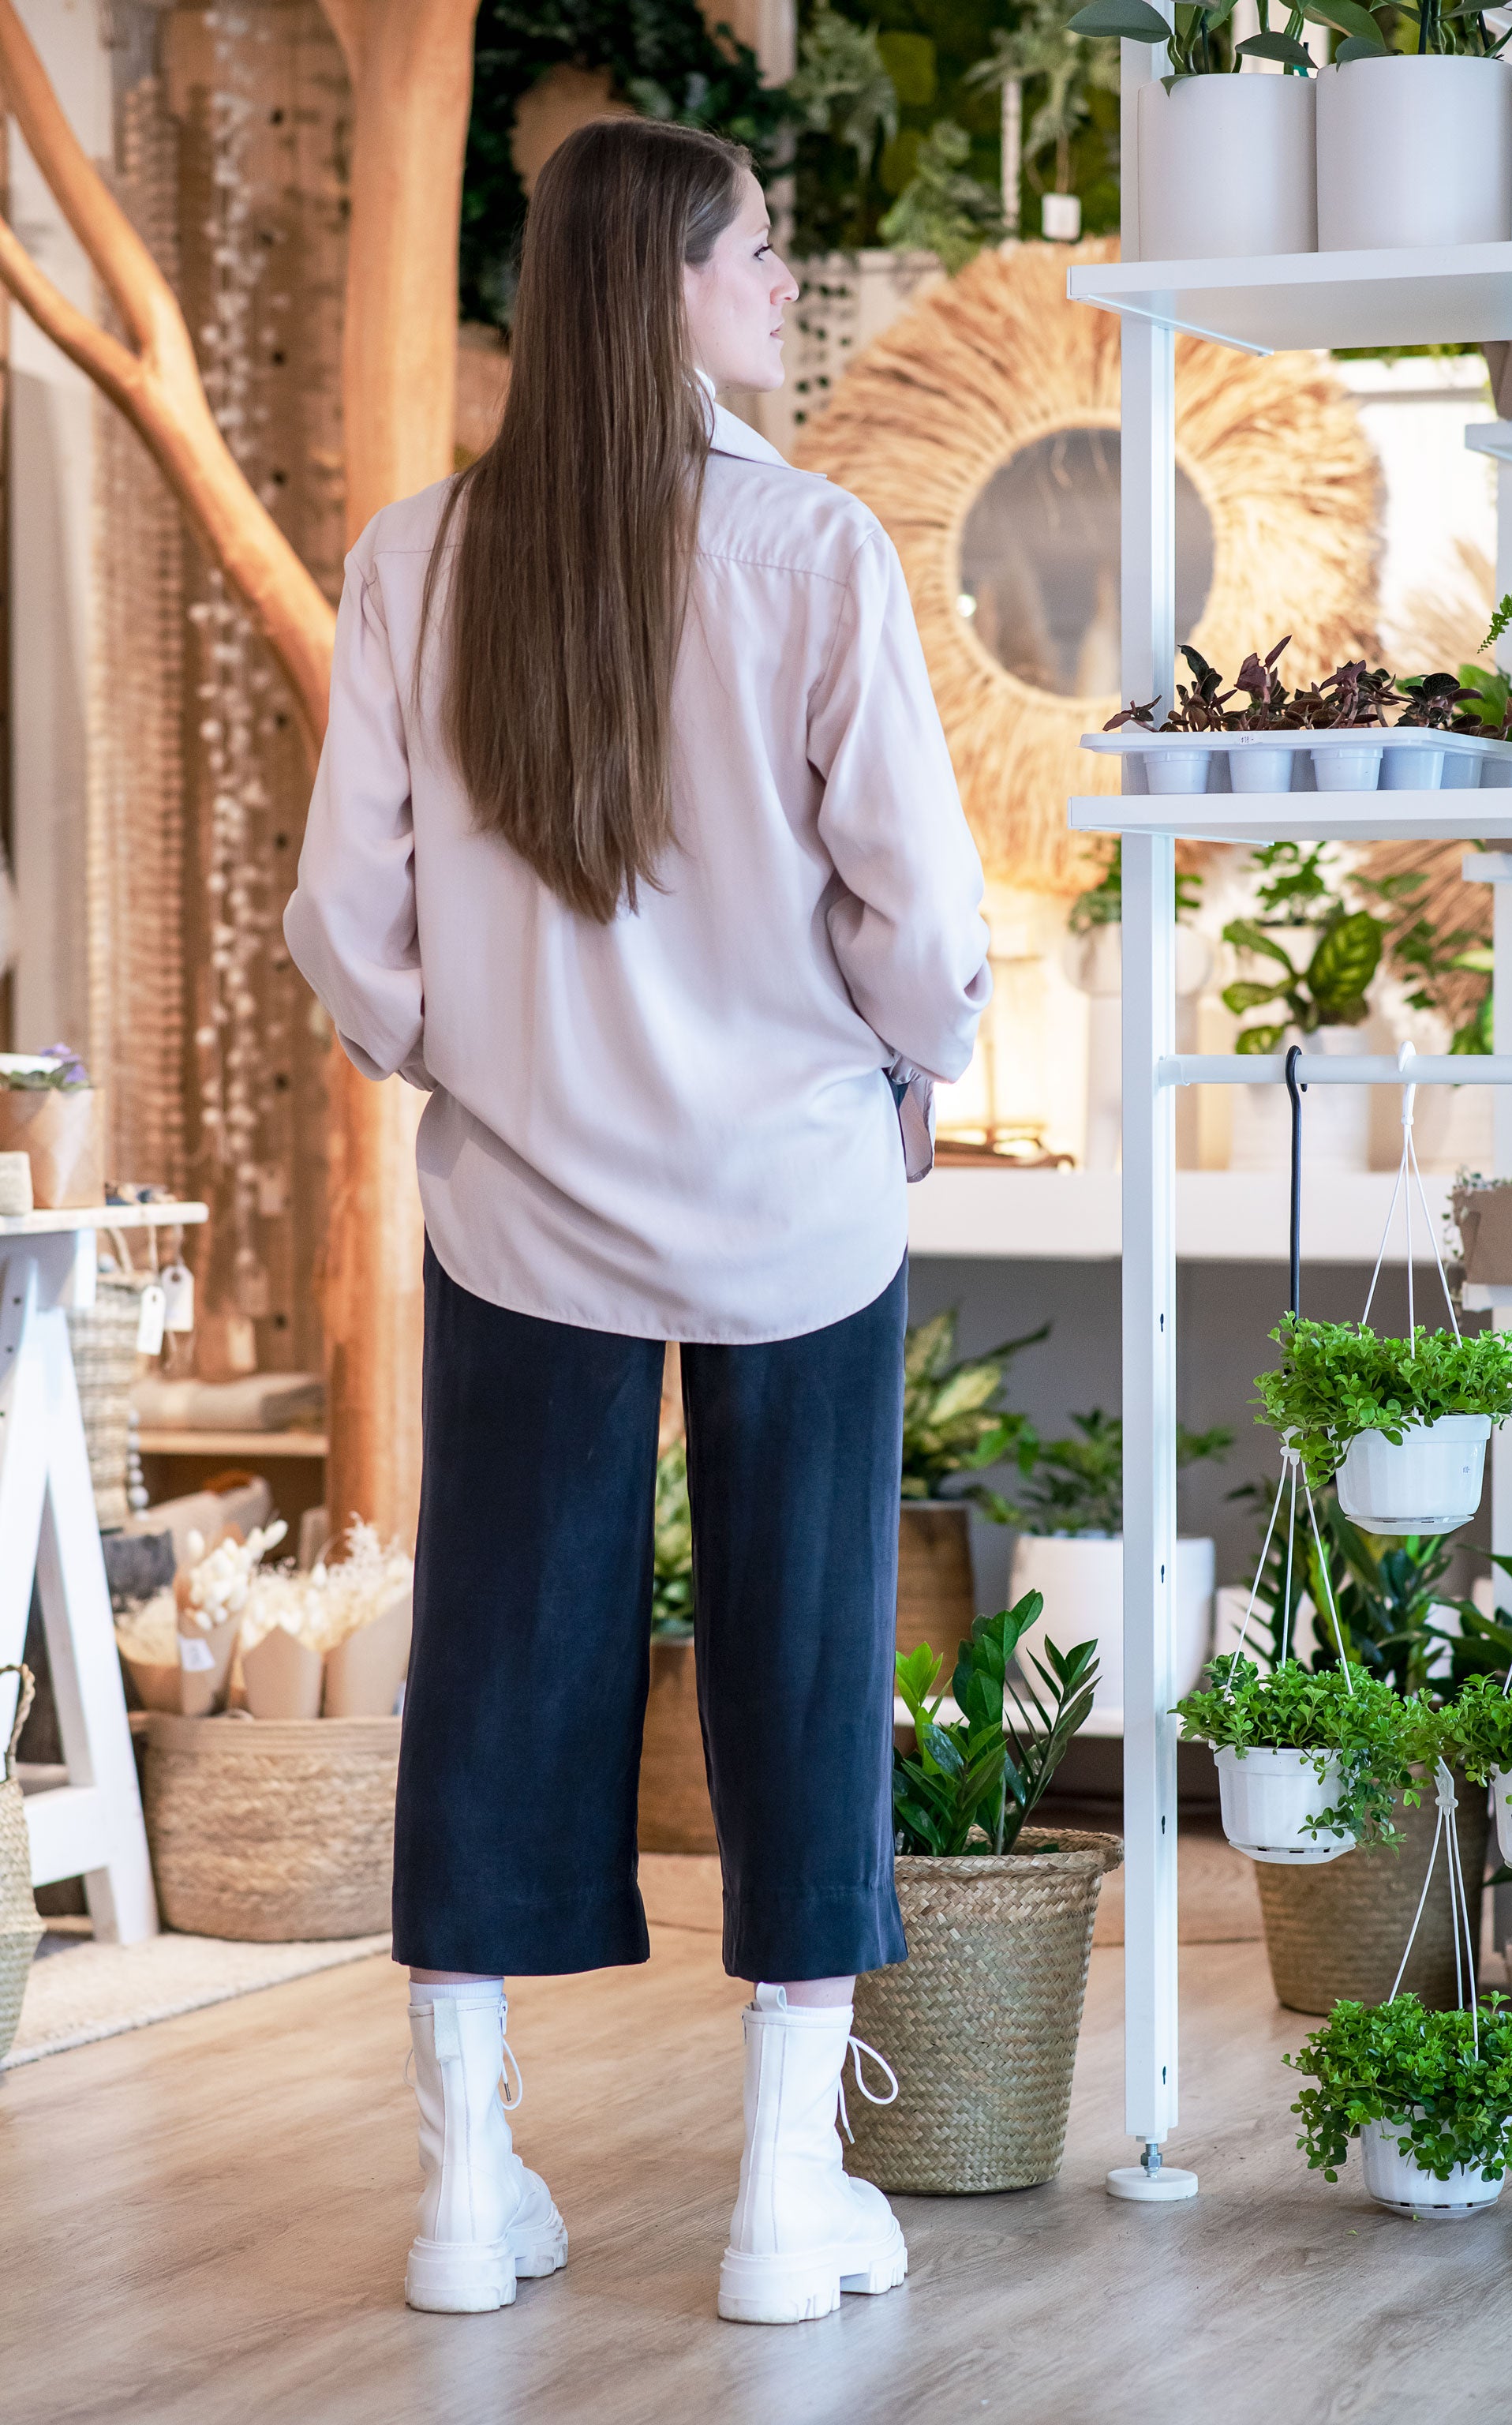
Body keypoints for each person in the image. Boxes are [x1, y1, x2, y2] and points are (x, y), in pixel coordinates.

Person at [285, 116, 989, 2327]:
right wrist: (918, 1061)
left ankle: (464, 2194)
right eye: (761, 257)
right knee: (803, 1660)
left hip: (522, 1214)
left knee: (498, 1659)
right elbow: (916, 909)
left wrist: (477, 1061)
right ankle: (790, 2205)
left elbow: (342, 922)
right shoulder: (813, 553)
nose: (787, 290)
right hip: (794, 1200)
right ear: (665, 284)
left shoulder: (417, 557)